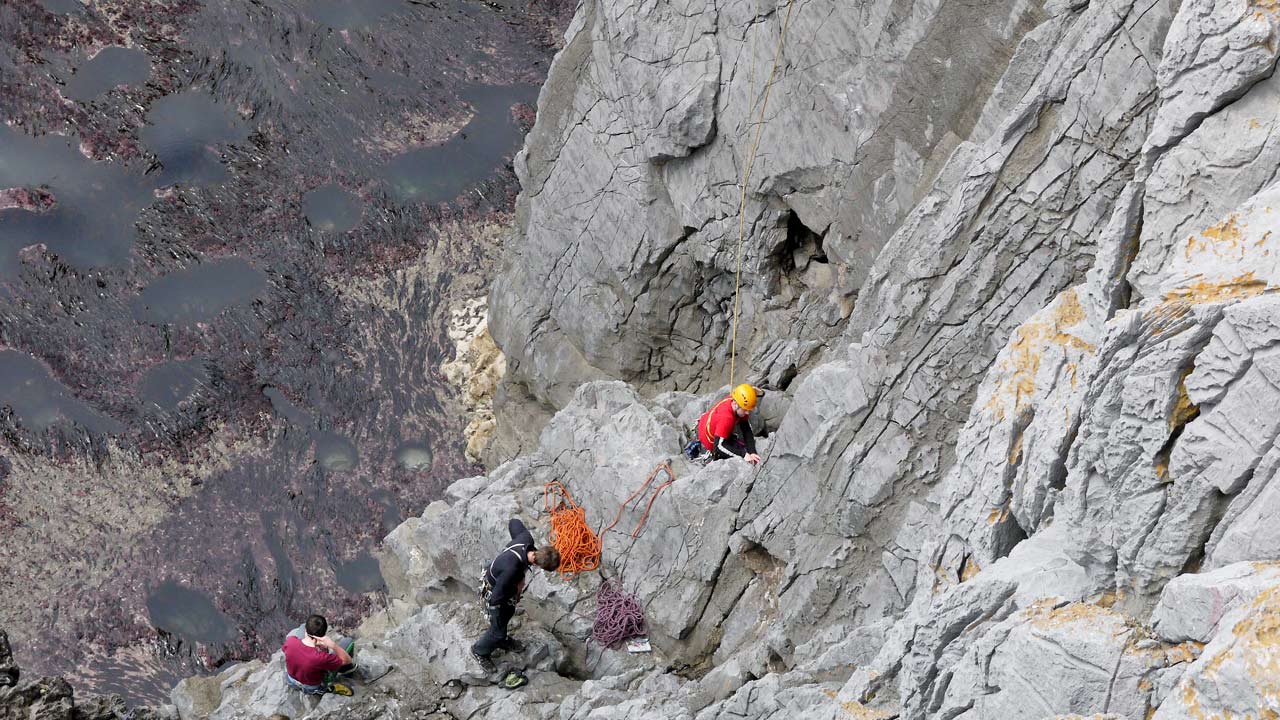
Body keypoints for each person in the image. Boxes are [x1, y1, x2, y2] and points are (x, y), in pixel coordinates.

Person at [470, 518, 560, 673]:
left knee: (509, 612)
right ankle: (480, 651)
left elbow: (513, 522)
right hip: (495, 592)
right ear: (539, 565)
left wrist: (515, 593)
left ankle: (502, 639)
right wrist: (496, 611)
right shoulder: (512, 569)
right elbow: (497, 596)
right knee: (497, 628)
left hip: (502, 581)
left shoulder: (526, 540)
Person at [282, 614, 356, 695]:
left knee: (302, 626)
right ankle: (346, 671)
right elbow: (347, 660)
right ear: (323, 635)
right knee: (348, 641)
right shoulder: (321, 658)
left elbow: (287, 651)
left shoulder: (290, 641)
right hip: (311, 688)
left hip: (291, 680)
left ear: (306, 630)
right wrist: (333, 645)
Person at [695, 384, 762, 465]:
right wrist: (743, 455)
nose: (747, 413)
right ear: (735, 404)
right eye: (745, 410)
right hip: (708, 440)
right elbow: (718, 447)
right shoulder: (727, 418)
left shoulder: (736, 400)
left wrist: (752, 451)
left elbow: (746, 428)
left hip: (707, 422)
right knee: (734, 448)